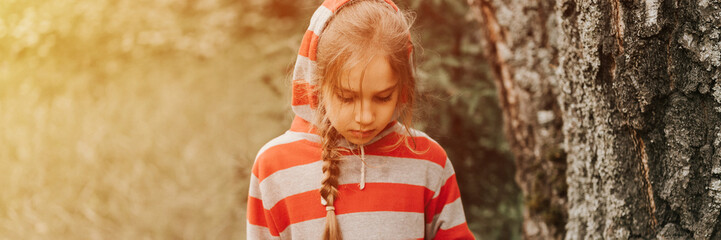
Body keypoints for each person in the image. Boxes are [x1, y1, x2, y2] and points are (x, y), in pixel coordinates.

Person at [246, 0, 475, 239]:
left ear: (402, 88)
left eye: (383, 97)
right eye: (346, 98)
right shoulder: (274, 167)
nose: (365, 117)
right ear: (317, 84)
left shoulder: (428, 162)